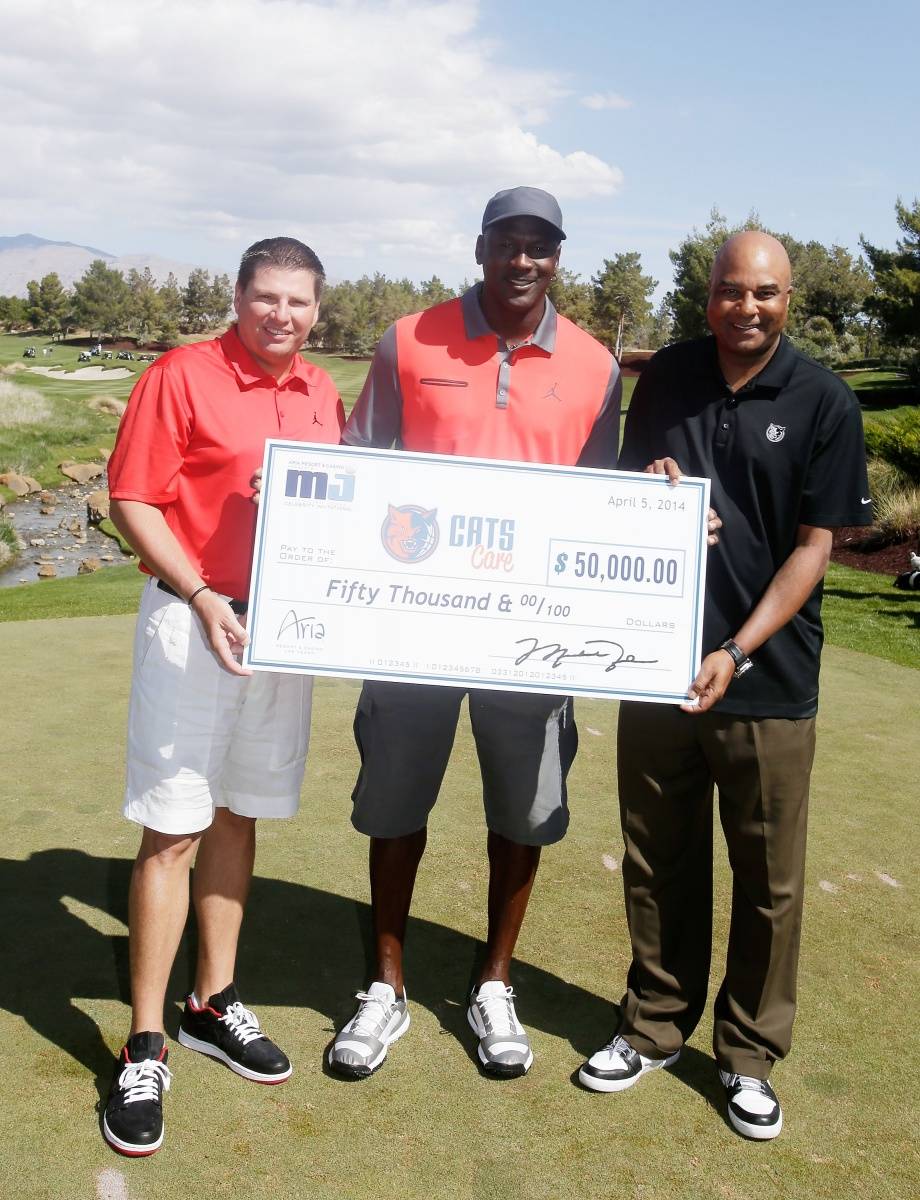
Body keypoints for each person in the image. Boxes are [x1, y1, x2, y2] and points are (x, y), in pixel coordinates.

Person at [578, 232, 873, 1139]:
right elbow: (623, 490)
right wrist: (651, 488)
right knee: (657, 858)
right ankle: (656, 1025)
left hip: (766, 678)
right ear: (705, 296)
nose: (748, 308)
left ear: (792, 299)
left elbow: (814, 548)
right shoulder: (665, 376)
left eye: (767, 294)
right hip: (653, 660)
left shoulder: (822, 398)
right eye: (731, 292)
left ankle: (747, 1056)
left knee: (768, 882)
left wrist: (737, 651)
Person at [327, 187, 621, 1080]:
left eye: (542, 245)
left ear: (558, 256)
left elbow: (602, 505)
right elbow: (358, 464)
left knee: (522, 812)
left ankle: (495, 981)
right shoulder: (408, 340)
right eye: (508, 242)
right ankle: (387, 984)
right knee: (394, 806)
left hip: (530, 637)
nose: (523, 259)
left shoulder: (596, 363)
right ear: (482, 246)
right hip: (414, 631)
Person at [102, 237, 345, 1156]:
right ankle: (146, 1041)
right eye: (267, 297)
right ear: (240, 297)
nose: (282, 315)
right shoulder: (182, 375)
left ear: (317, 309)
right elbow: (133, 498)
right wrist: (202, 596)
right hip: (193, 619)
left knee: (240, 815)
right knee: (174, 831)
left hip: (283, 632)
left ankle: (214, 1001)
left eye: (299, 302)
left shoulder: (321, 392)